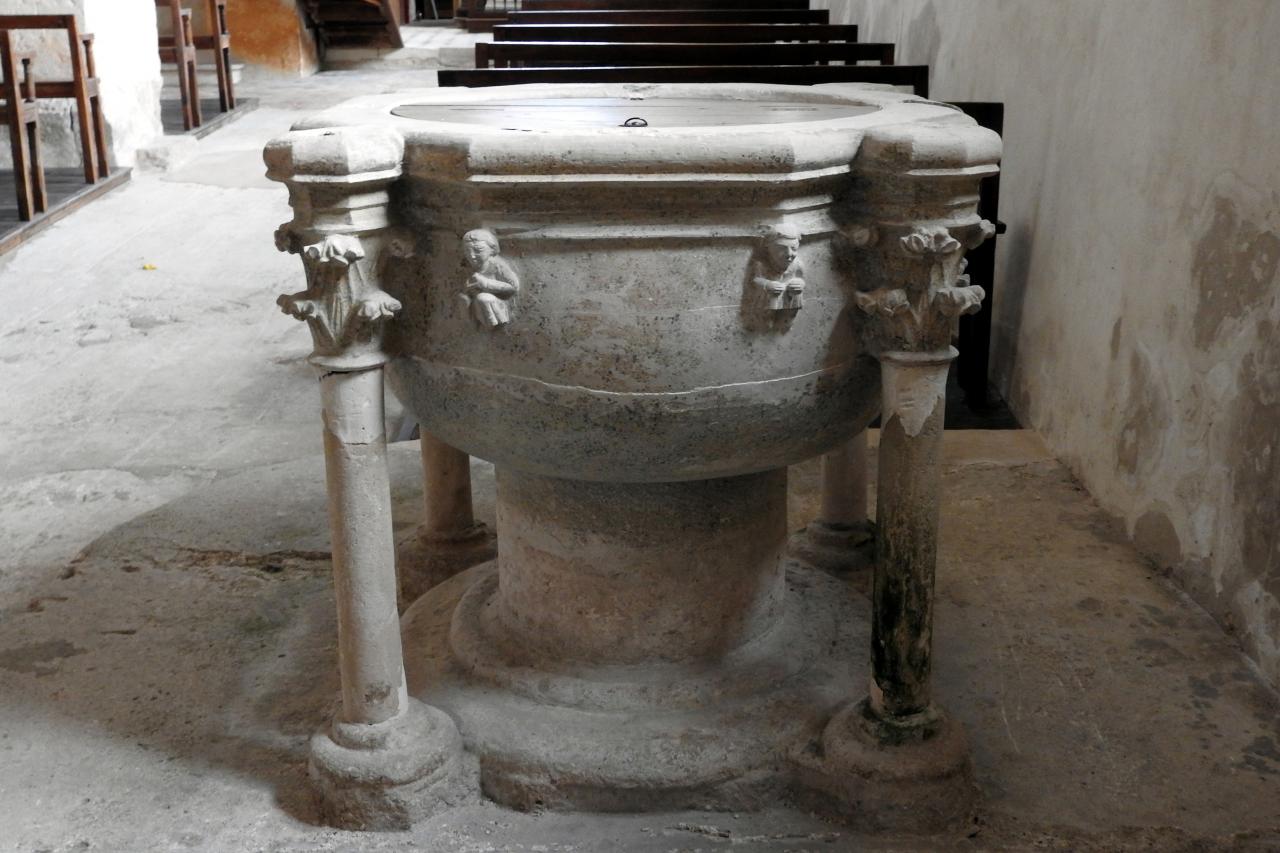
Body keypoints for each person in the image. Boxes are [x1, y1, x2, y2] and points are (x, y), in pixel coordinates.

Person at [461, 229, 519, 329]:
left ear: (492, 249)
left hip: (498, 300)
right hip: (475, 300)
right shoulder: (467, 265)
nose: (472, 256)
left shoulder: (497, 265)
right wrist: (467, 288)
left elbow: (514, 287)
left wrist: (486, 283)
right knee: (463, 299)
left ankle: (495, 328)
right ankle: (471, 328)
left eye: (478, 250)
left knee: (484, 298)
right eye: (467, 250)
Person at [751, 224, 805, 312]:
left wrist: (800, 284)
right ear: (768, 248)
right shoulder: (762, 264)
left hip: (790, 301)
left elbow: (801, 278)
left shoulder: (797, 264)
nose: (789, 254)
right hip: (769, 302)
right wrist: (767, 284)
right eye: (781, 249)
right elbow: (755, 280)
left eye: (794, 248)